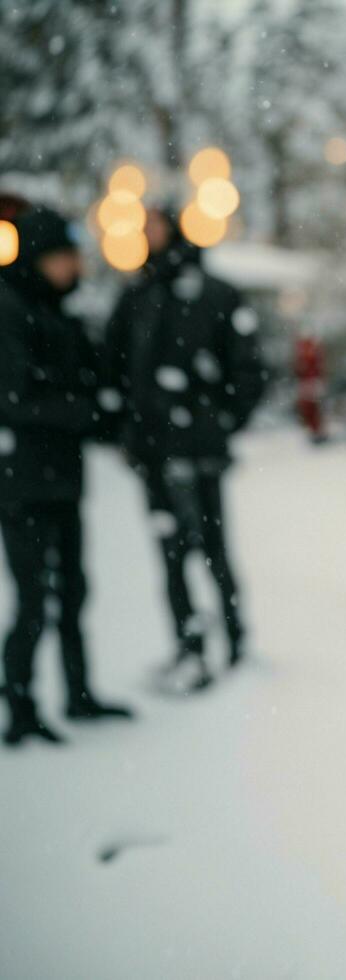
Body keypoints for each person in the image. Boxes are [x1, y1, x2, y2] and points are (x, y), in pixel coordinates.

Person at [102, 207, 266, 692]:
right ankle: (188, 645)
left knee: (213, 549)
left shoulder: (212, 294)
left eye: (156, 226)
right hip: (154, 448)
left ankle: (234, 639)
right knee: (172, 554)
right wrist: (128, 427)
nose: (149, 234)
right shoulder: (137, 295)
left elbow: (248, 367)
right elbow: (113, 365)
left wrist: (220, 421)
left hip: (198, 446)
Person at [0, 205, 133, 746]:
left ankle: (78, 692)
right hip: (23, 479)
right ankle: (22, 705)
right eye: (62, 257)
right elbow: (13, 399)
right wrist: (81, 410)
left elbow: (86, 384)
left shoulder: (59, 313)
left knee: (73, 590)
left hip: (60, 476)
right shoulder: (9, 310)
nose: (72, 268)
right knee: (34, 595)